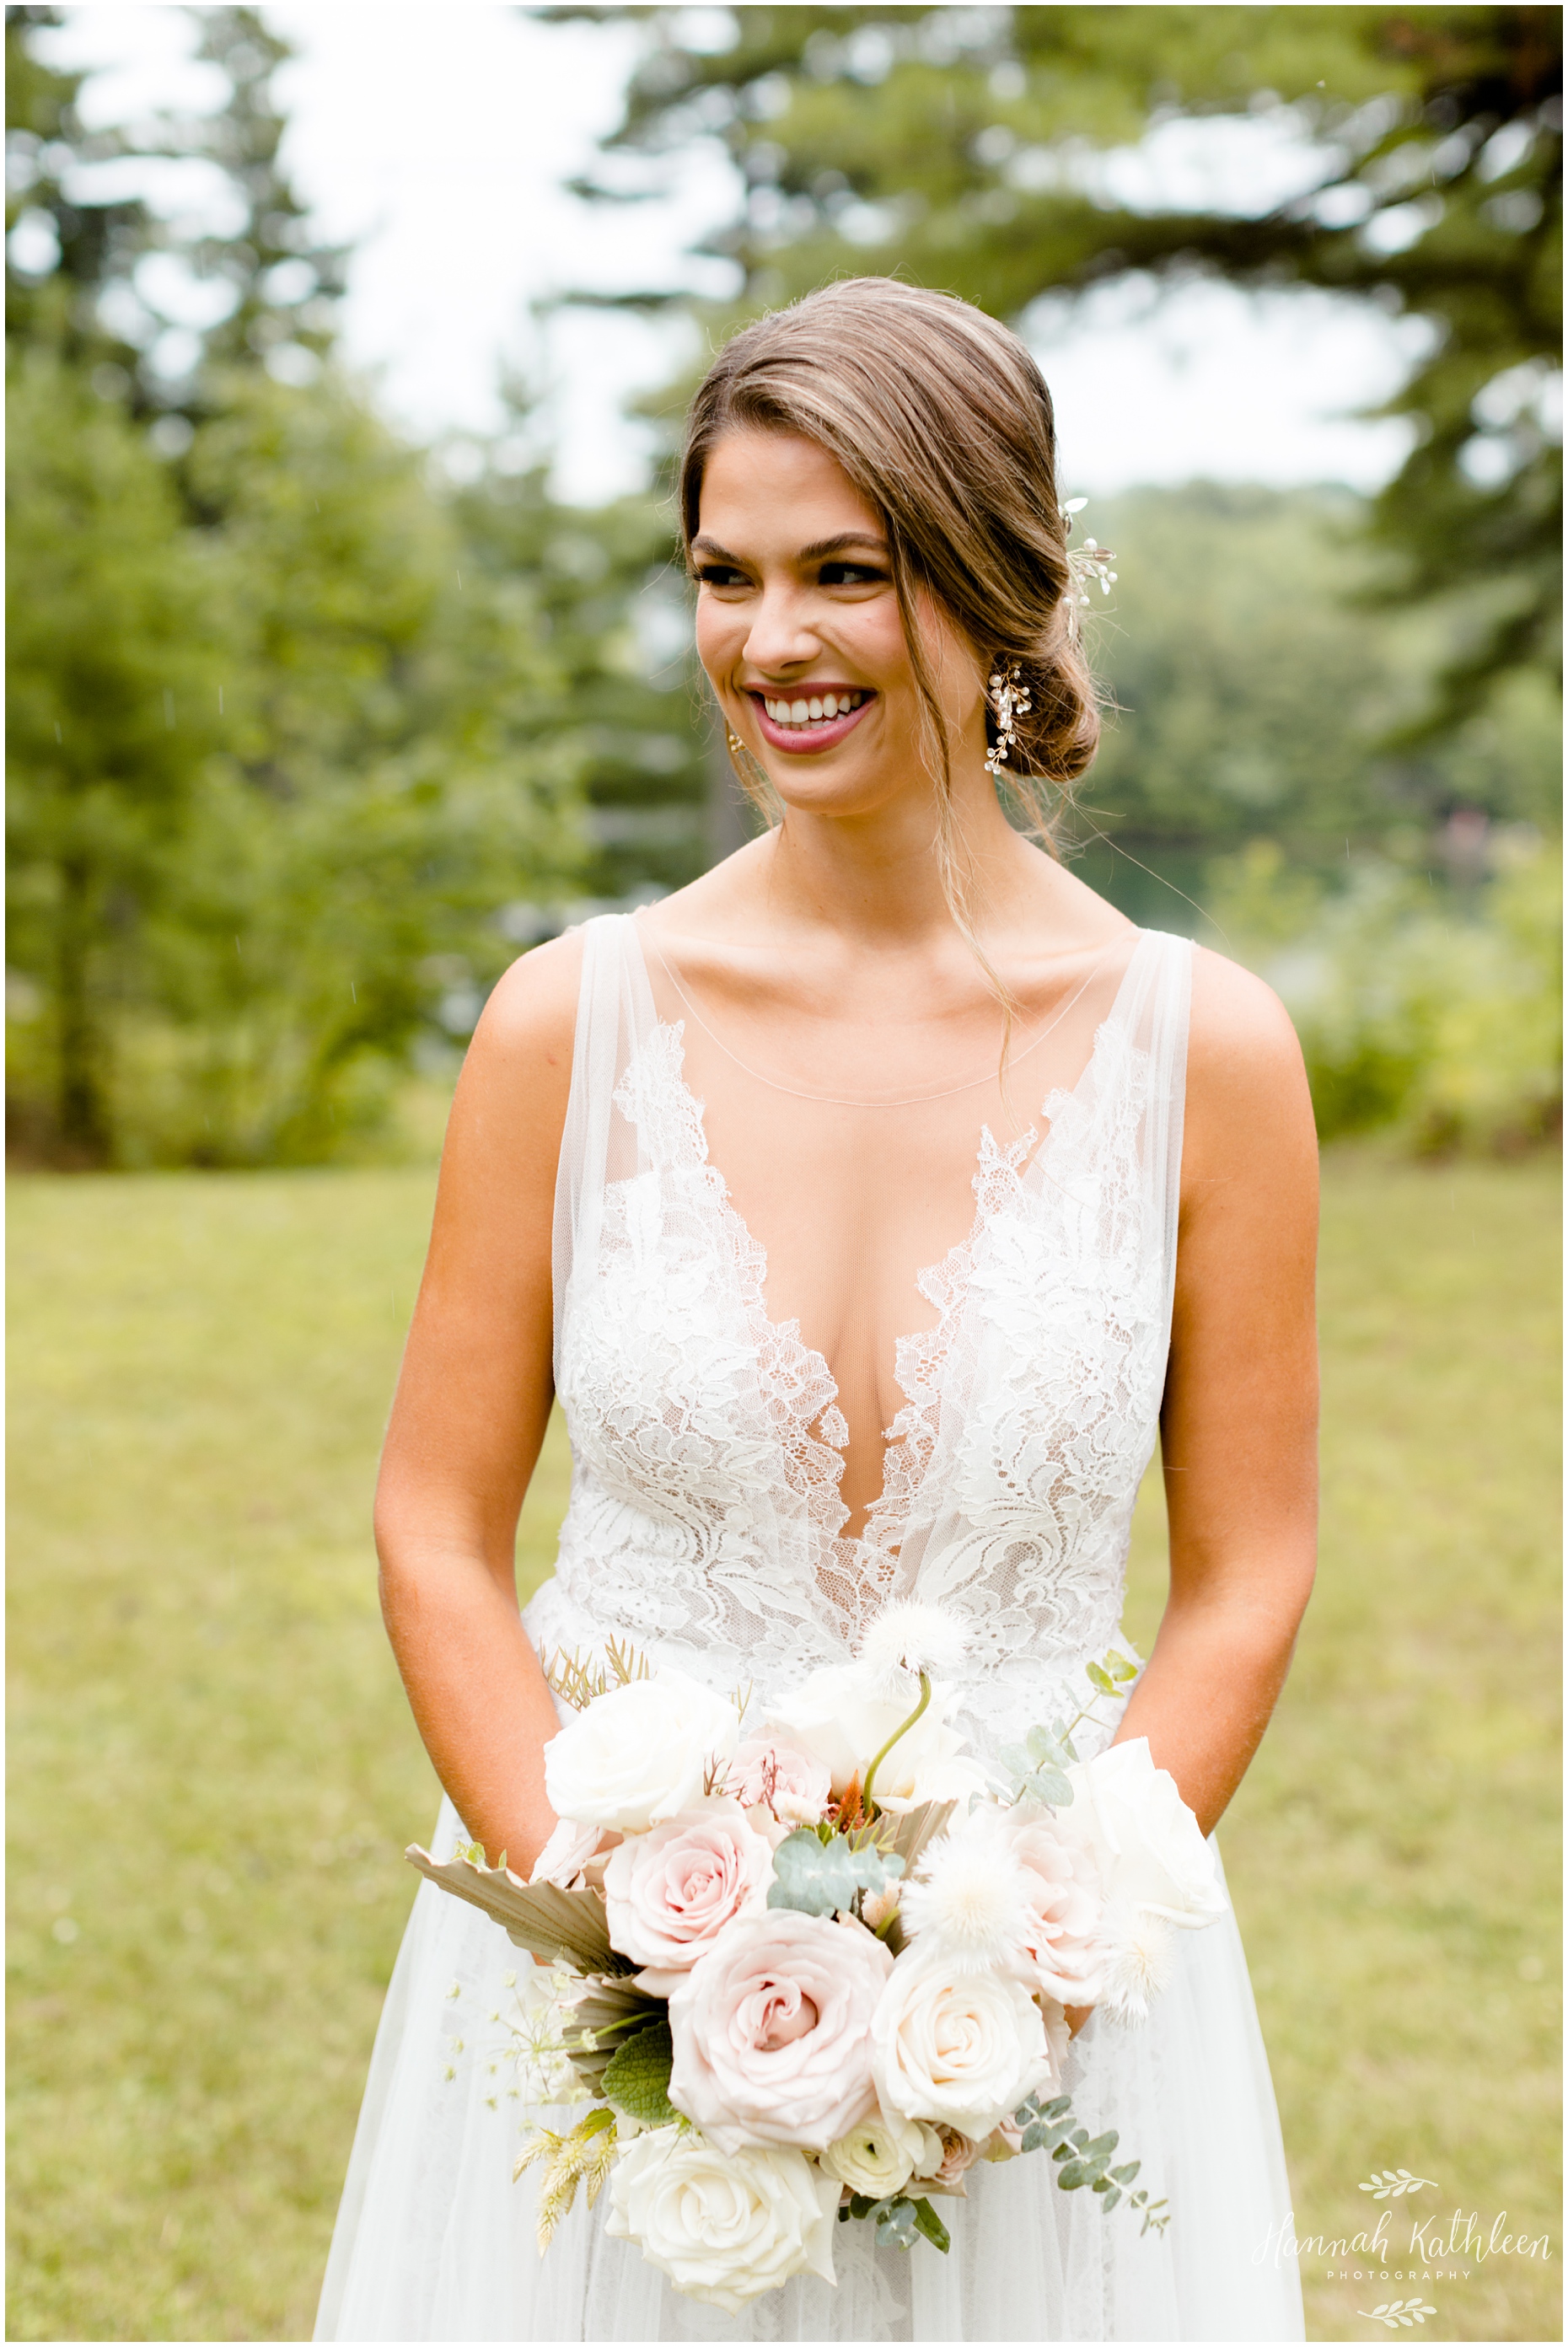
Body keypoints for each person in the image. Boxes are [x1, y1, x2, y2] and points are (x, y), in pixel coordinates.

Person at [315, 277, 1316, 2343]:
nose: (770, 644)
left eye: (845, 574)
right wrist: (617, 1948)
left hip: (1051, 2000)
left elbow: (1248, 1569)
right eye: (726, 574)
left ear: (996, 588)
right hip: (599, 1990)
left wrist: (1042, 1944)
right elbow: (433, 1524)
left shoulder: (1200, 1051)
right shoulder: (565, 1026)